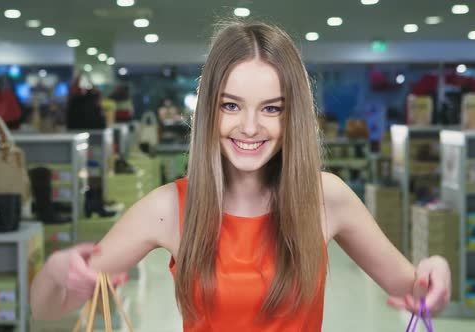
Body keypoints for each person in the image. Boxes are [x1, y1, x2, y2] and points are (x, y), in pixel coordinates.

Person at [30, 20, 451, 330]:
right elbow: (48, 309)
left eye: (271, 108)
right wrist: (55, 272)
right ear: (209, 109)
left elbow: (416, 292)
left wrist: (435, 273)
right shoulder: (169, 208)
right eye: (231, 105)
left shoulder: (326, 198)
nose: (250, 127)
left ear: (293, 117)